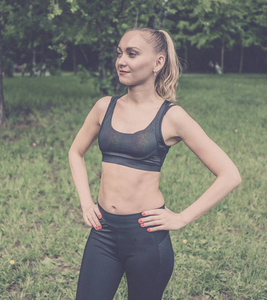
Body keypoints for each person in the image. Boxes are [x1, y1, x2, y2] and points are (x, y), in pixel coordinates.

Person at [69, 27, 241, 300]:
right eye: (119, 53)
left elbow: (229, 174)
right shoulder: (104, 106)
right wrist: (86, 203)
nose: (121, 61)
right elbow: (75, 152)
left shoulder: (172, 117)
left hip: (146, 238)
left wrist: (182, 217)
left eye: (132, 54)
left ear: (158, 63)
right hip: (103, 233)